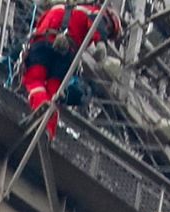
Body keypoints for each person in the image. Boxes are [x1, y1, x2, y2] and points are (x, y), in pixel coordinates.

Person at [20, 2, 124, 138]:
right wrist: (101, 42)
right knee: (54, 93)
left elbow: (38, 30)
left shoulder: (57, 9)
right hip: (66, 54)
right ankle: (48, 131)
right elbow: (97, 22)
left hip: (44, 45)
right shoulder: (91, 11)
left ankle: (42, 118)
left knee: (35, 81)